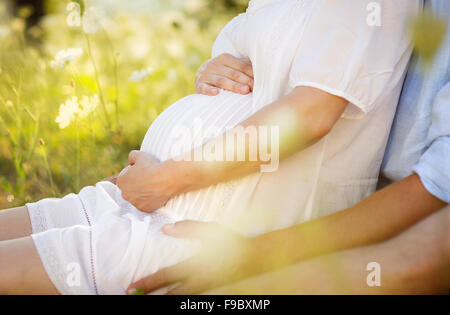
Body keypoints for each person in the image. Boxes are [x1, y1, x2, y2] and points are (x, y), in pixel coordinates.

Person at [0, 0, 420, 294]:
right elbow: (260, 78)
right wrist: (213, 69)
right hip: (142, 203)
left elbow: (309, 117)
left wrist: (164, 179)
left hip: (199, 232)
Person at [128, 0, 450, 294]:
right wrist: (217, 71)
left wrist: (261, 255)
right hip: (195, 207)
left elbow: (436, 191)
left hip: (310, 228)